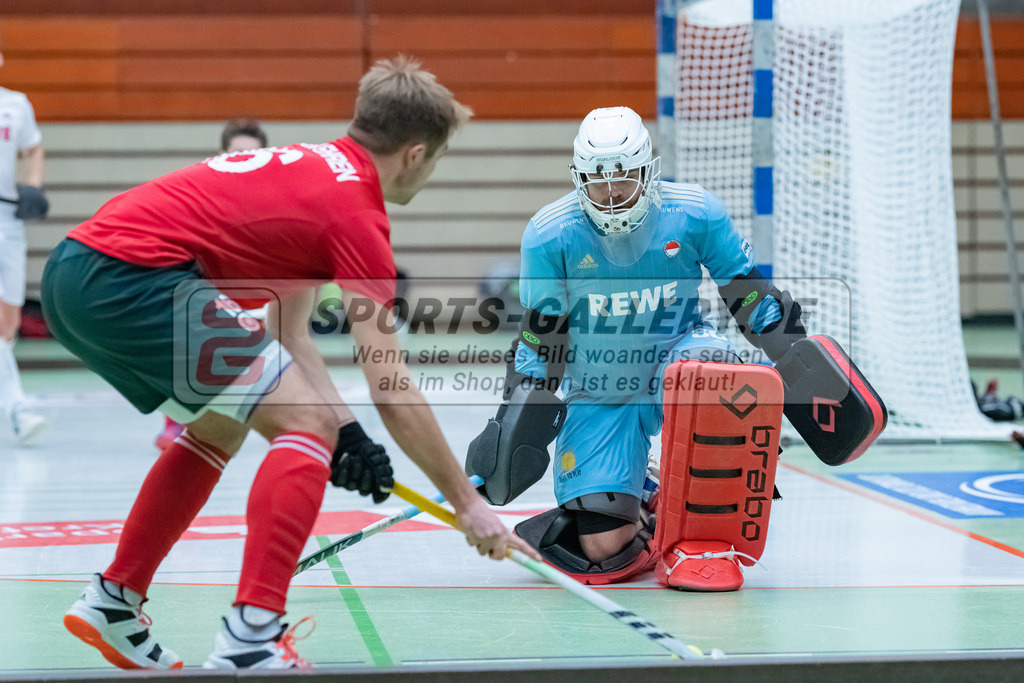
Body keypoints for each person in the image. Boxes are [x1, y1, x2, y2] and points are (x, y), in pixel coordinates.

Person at [43, 56, 535, 671]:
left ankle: (114, 601)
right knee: (305, 425)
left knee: (226, 422)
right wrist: (466, 503)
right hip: (131, 278)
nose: (429, 174)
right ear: (414, 153)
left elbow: (288, 337)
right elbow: (390, 382)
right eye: (435, 160)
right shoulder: (357, 216)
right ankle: (252, 634)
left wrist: (350, 435)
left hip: (77, 273)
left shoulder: (309, 170)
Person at [467, 106, 809, 592]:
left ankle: (703, 535)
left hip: (683, 360)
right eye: (597, 181)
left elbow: (749, 297)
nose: (610, 193)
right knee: (603, 549)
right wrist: (510, 424)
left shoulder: (695, 213)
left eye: (624, 177)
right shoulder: (549, 235)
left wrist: (799, 359)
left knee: (712, 370)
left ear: (649, 171)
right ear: (577, 178)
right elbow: (541, 341)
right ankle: (649, 494)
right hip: (601, 389)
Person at [154, 118, 271, 451]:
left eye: (254, 154)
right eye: (237, 153)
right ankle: (175, 422)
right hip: (198, 279)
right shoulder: (201, 186)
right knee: (185, 342)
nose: (245, 160)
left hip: (248, 285)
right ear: (221, 155)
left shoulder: (272, 196)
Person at [0, 44, 49, 445]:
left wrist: (33, 185)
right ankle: (18, 408)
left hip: (8, 220)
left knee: (9, 322)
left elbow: (33, 146)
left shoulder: (16, 105)